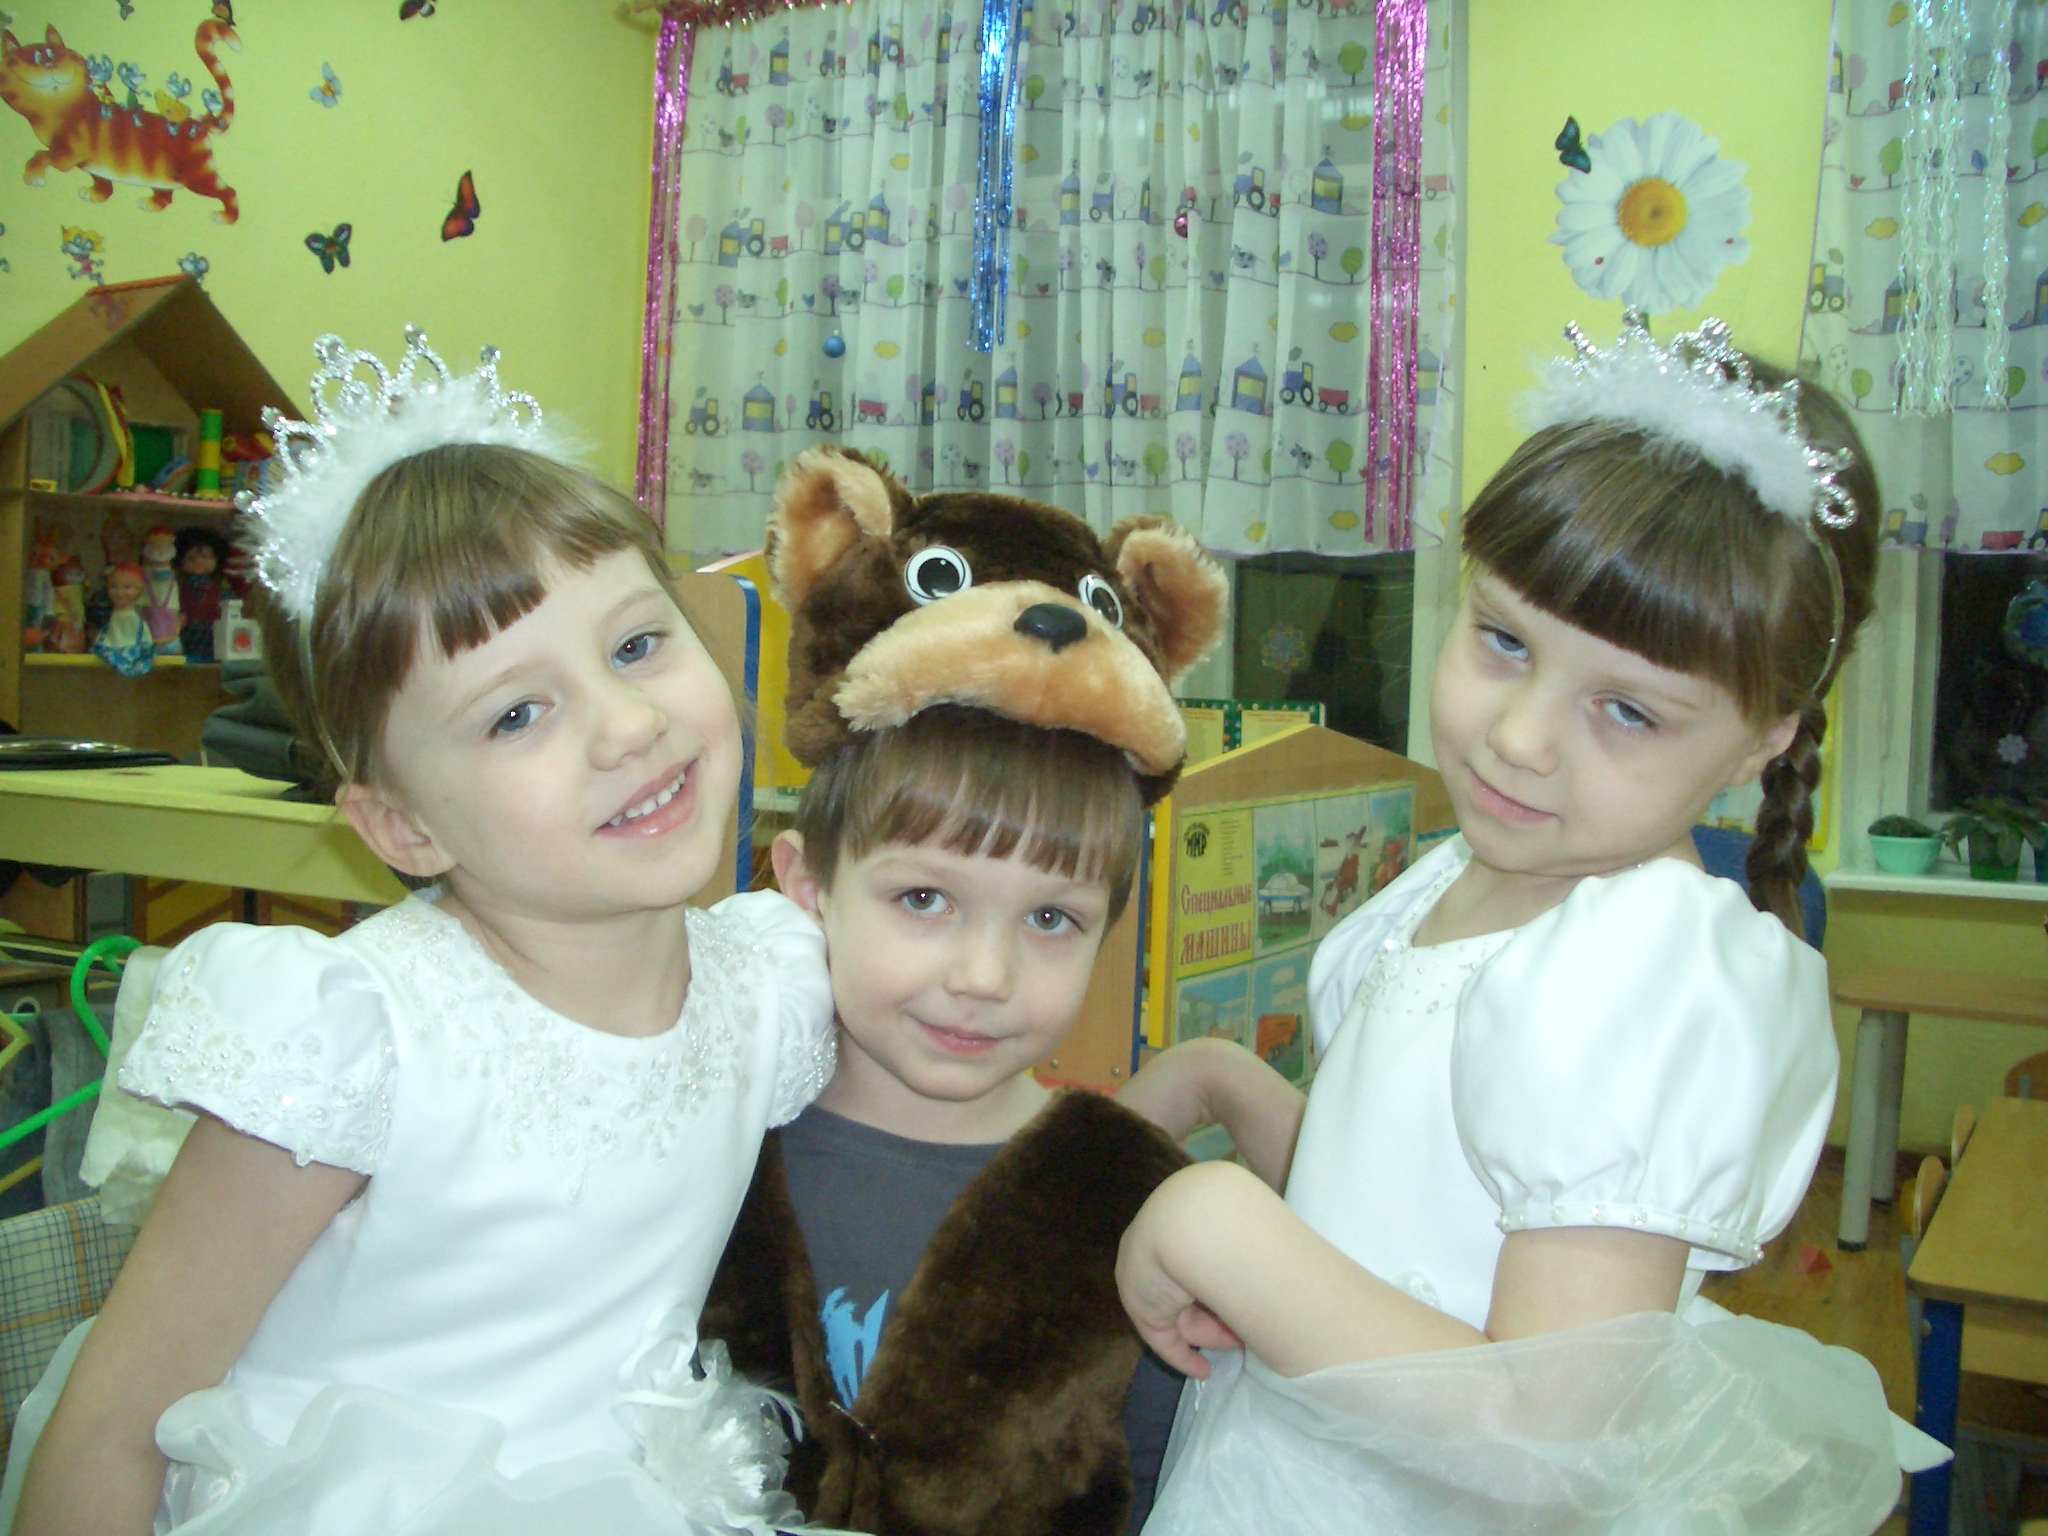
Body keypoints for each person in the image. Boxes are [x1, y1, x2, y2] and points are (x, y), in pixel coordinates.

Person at [11, 331, 836, 1536]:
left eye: (636, 644)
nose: (626, 725)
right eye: (515, 715)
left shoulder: (767, 983)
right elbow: (113, 1426)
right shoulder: (358, 1043)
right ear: (402, 826)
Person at [1117, 318, 1928, 1535]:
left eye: (1627, 711)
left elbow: (1540, 1454)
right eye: (1502, 640)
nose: (1518, 738)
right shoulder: (1467, 870)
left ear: (1762, 739)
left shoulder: (1638, 977)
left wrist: (1210, 1223)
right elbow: (1407, 1220)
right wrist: (1234, 1089)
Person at [698, 447, 1230, 1536]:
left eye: (1050, 919)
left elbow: (1161, 1492)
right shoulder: (704, 1140)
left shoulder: (1132, 1198)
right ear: (807, 886)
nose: (982, 978)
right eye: (925, 899)